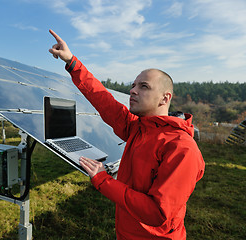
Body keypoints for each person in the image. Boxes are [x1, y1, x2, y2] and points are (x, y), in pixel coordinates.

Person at [48, 29, 205, 240]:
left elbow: (158, 212)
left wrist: (103, 180)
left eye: (144, 86)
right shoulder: (138, 128)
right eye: (133, 85)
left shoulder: (181, 148)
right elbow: (102, 98)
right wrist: (72, 63)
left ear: (164, 98)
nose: (133, 91)